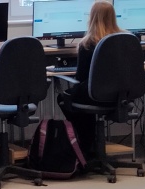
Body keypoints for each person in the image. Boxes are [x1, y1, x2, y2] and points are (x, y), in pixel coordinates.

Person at [57, 1, 122, 157]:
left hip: (95, 95)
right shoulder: (125, 40)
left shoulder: (87, 43)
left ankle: (86, 142)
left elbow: (80, 77)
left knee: (64, 97)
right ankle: (91, 143)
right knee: (81, 95)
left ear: (92, 18)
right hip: (119, 96)